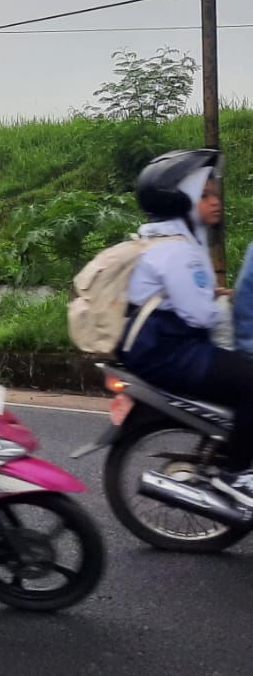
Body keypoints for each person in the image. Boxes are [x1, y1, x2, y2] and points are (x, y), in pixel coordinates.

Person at [117, 149, 253, 508]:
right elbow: (200, 315)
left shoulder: (165, 241)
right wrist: (213, 303)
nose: (216, 201)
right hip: (170, 352)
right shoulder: (177, 251)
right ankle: (235, 473)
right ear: (181, 201)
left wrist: (208, 296)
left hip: (165, 346)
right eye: (205, 195)